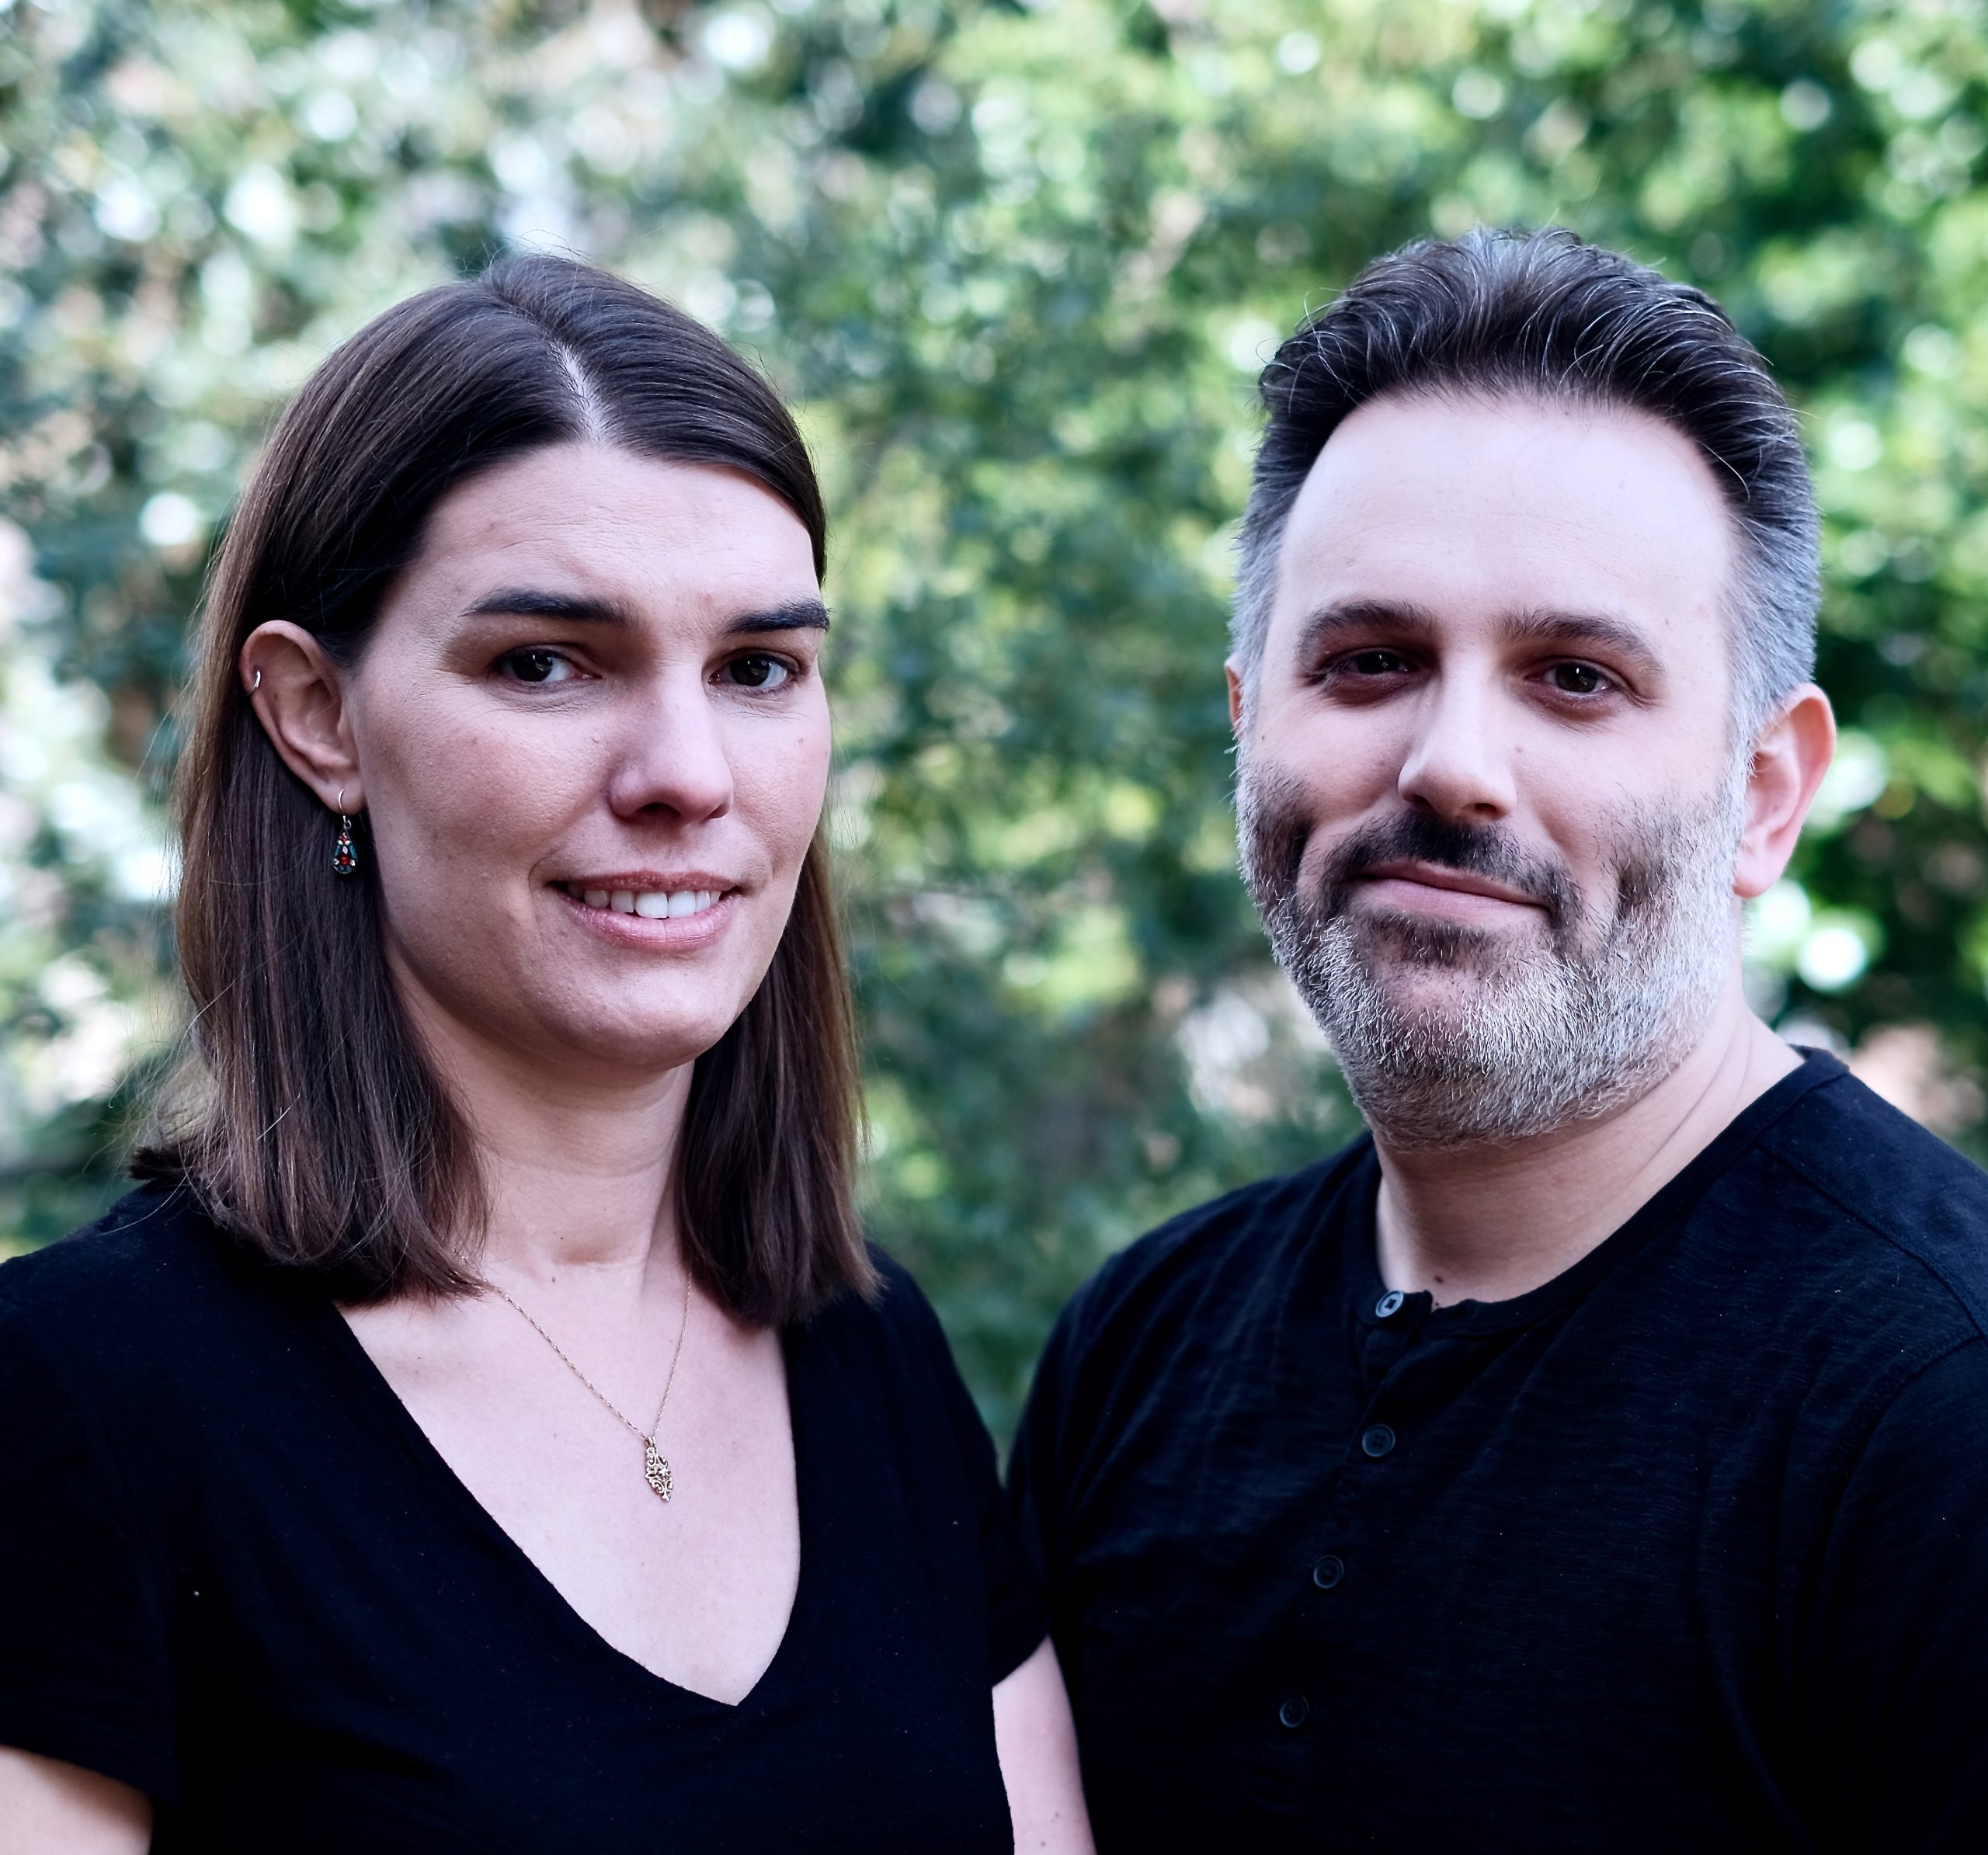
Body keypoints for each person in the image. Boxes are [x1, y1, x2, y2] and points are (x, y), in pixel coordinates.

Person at [0, 255, 1092, 1855]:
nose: (684, 773)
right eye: (545, 662)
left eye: (757, 668)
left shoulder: (870, 1356)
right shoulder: (73, 1400)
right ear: (317, 715)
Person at [1010, 227, 1988, 1851]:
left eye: (1574, 677)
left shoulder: (1933, 1415)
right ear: (1252, 727)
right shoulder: (1139, 1345)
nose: (1451, 763)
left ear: (1762, 795)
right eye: (1371, 660)